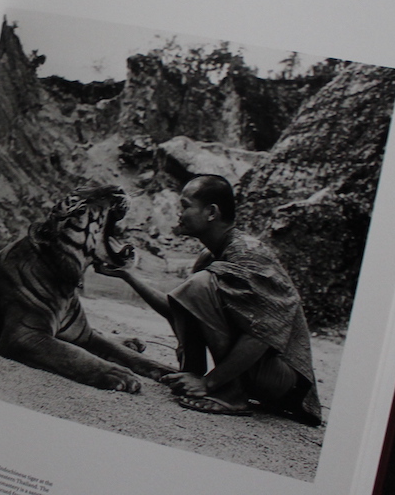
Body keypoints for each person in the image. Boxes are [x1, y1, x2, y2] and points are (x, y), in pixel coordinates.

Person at [97, 174, 322, 425]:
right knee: (197, 285)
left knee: (200, 283)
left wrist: (209, 382)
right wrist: (127, 275)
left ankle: (232, 393)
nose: (179, 213)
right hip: (259, 373)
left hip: (281, 380)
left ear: (211, 212)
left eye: (185, 205)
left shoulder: (249, 255)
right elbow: (179, 310)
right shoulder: (211, 256)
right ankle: (195, 375)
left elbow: (261, 335)